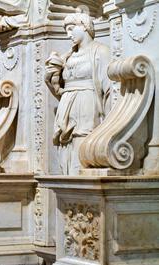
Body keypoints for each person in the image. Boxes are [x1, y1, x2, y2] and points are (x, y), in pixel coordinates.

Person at [44, 11, 111, 175]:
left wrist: (109, 124)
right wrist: (51, 80)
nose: (68, 34)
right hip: (66, 109)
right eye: (66, 30)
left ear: (85, 26)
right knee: (66, 151)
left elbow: (109, 89)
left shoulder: (100, 51)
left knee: (82, 149)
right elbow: (61, 91)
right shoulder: (67, 56)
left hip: (87, 106)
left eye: (71, 29)